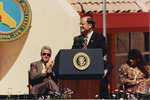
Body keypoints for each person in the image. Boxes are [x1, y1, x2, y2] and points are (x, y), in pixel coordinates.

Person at [72, 16, 113, 98]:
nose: (80, 26)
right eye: (80, 24)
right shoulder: (78, 39)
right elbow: (72, 54)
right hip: (81, 74)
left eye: (82, 24)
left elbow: (103, 51)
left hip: (94, 72)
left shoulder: (99, 38)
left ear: (90, 25)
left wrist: (88, 56)